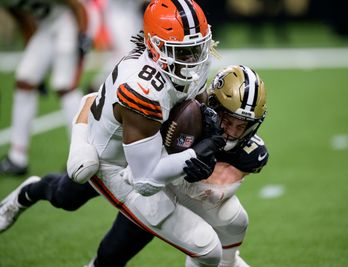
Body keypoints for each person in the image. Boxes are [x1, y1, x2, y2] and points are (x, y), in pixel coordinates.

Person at [2, 0, 227, 266]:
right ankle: (28, 193)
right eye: (183, 50)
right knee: (86, 191)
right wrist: (194, 154)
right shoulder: (142, 89)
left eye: (196, 46)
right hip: (107, 157)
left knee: (124, 209)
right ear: (155, 46)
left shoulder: (184, 64)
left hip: (139, 141)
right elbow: (144, 180)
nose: (194, 57)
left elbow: (192, 105)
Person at [0, 65, 268, 267]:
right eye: (227, 120)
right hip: (120, 163)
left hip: (155, 189)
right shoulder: (184, 107)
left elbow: (213, 190)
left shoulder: (249, 152)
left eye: (241, 125)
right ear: (211, 105)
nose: (232, 132)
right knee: (65, 196)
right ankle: (28, 192)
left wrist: (198, 171)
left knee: (113, 255)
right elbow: (96, 100)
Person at [0, 0, 90, 176]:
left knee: (65, 86)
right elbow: (24, 21)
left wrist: (82, 35)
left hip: (68, 21)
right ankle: (17, 157)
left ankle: (82, 157)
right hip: (46, 27)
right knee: (25, 80)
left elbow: (77, 6)